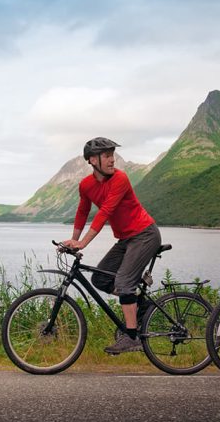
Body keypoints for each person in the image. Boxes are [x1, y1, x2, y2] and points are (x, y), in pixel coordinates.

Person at [63, 137, 161, 354]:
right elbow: (82, 212)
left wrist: (83, 243)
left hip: (145, 234)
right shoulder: (86, 185)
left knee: (125, 281)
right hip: (127, 239)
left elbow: (104, 212)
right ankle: (139, 306)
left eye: (112, 155)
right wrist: (73, 240)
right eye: (107, 156)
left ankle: (132, 337)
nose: (112, 160)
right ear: (92, 160)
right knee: (100, 278)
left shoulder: (120, 179)